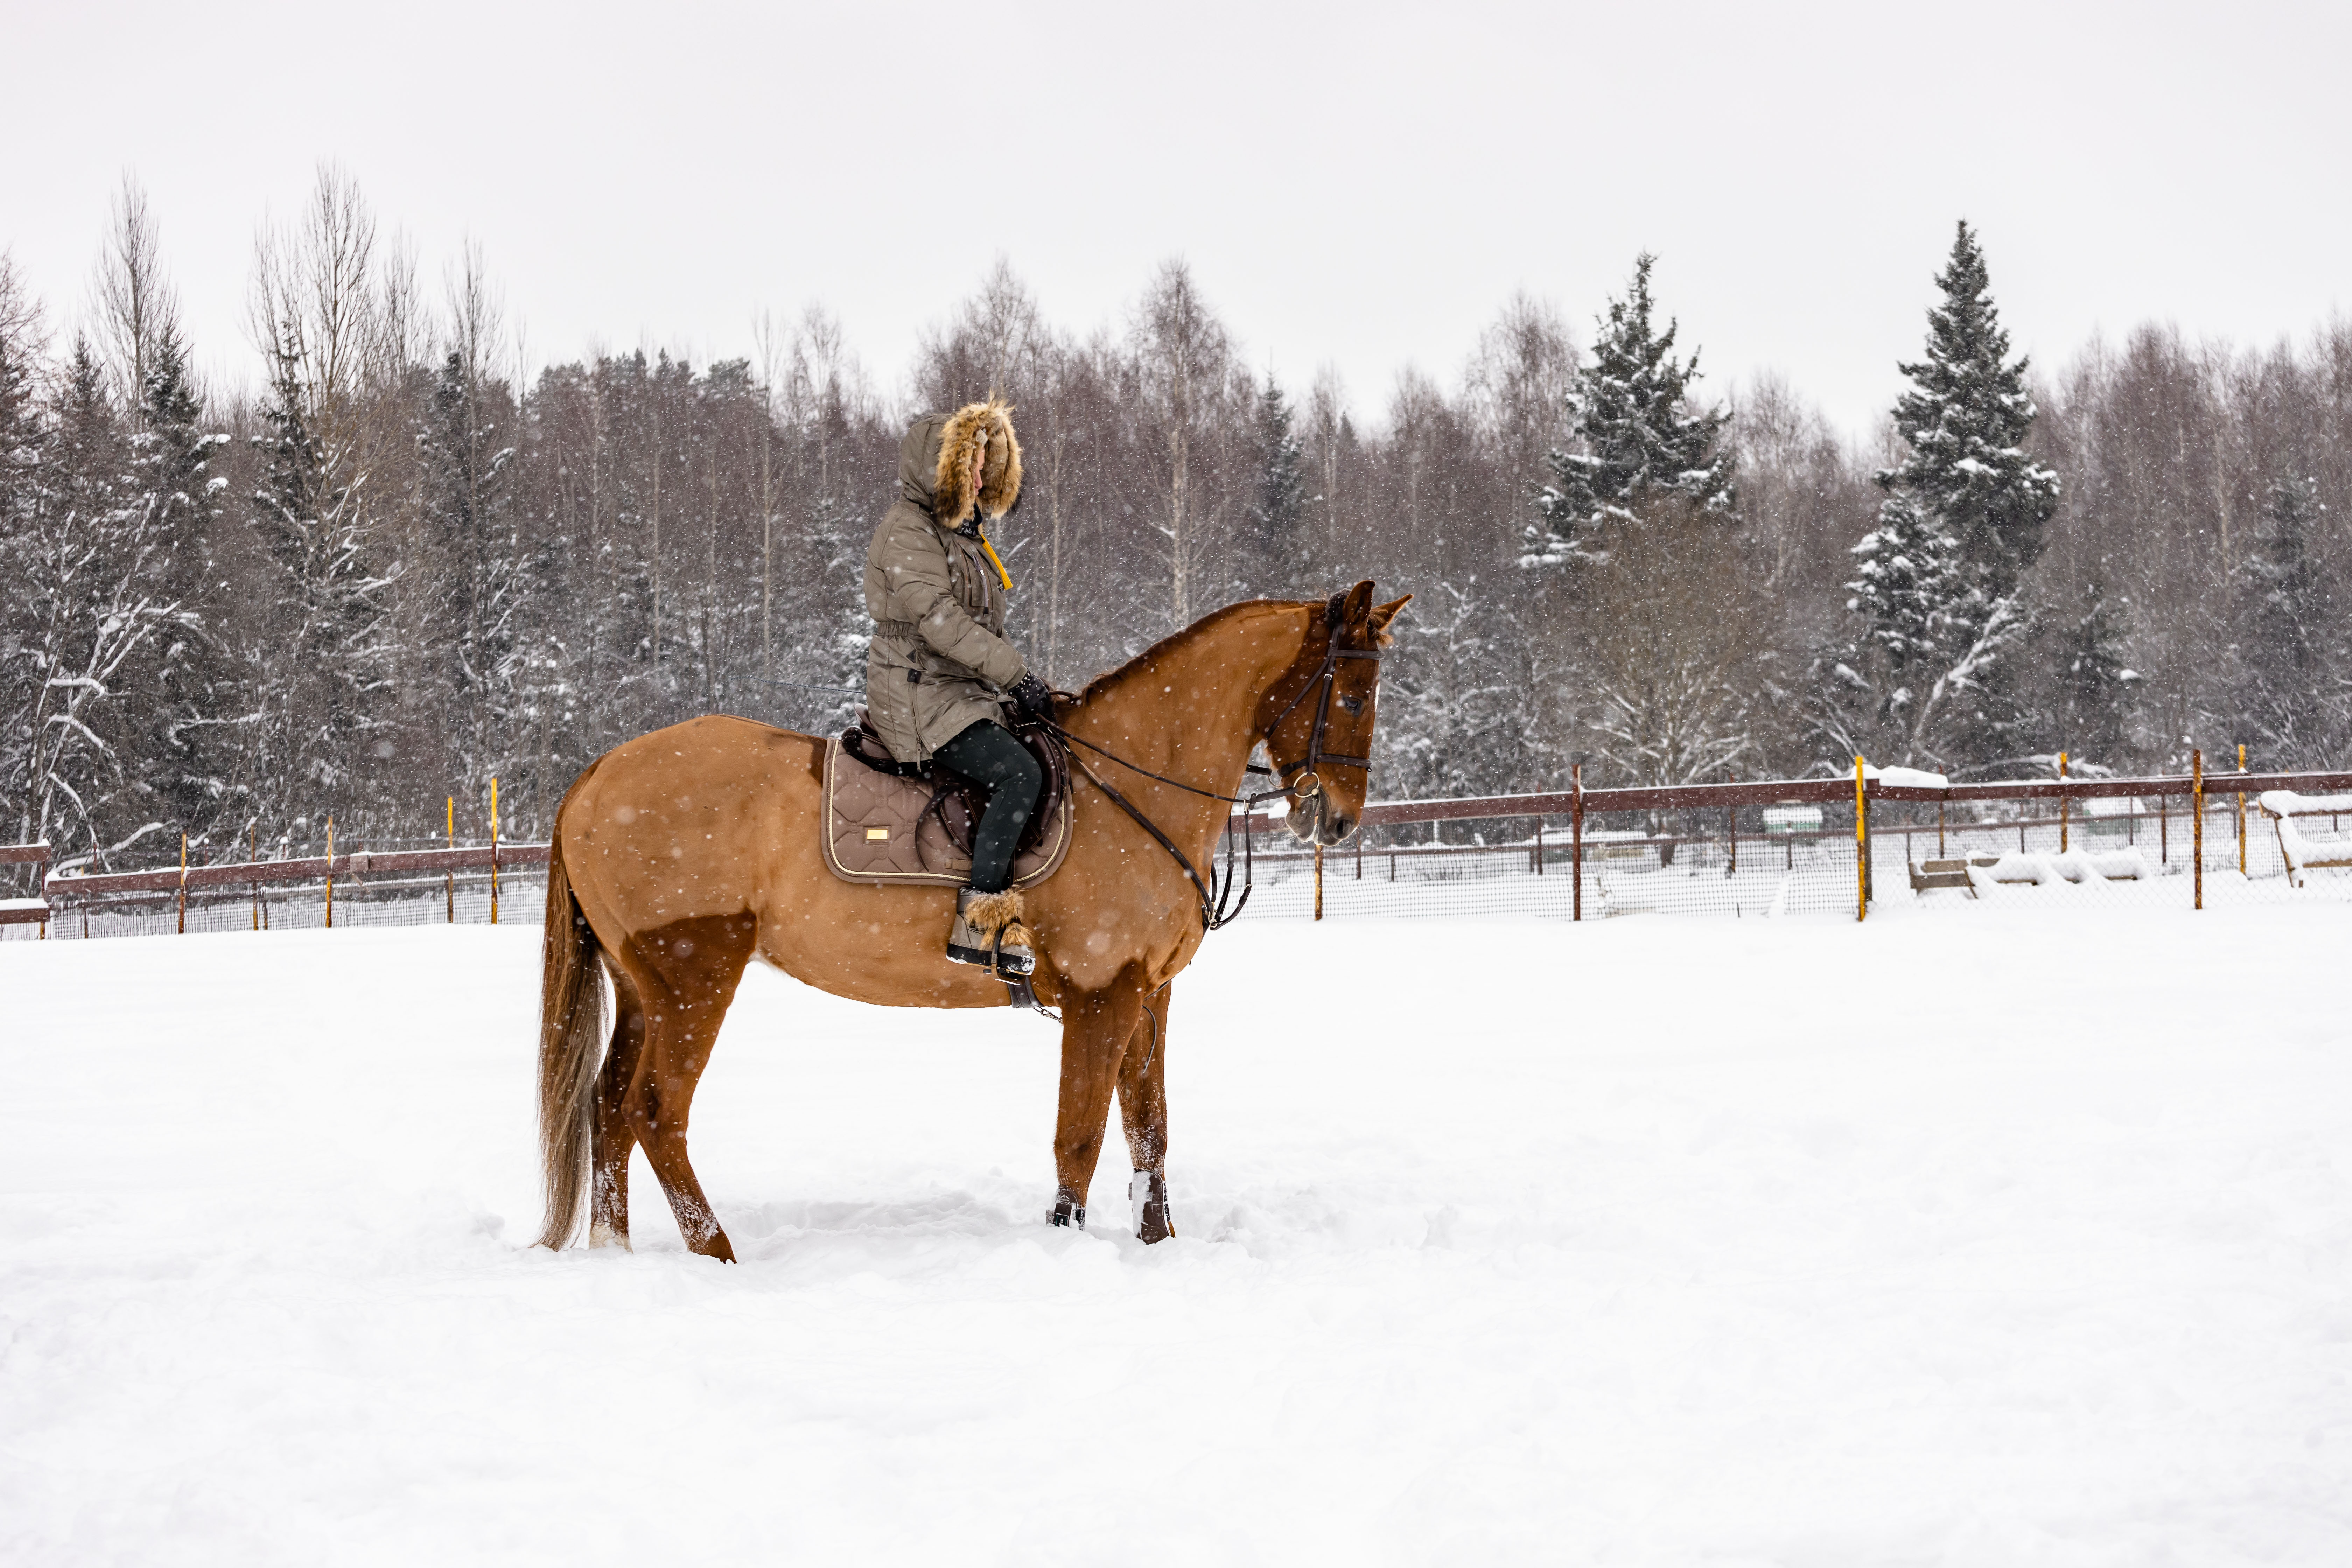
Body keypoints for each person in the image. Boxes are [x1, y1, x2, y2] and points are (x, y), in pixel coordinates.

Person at [863, 399, 1054, 975]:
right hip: (919, 694)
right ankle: (981, 924)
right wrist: (1016, 676)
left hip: (960, 689)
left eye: (984, 465)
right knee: (1020, 772)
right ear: (939, 470)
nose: (979, 477)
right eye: (970, 465)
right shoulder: (908, 532)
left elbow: (980, 627)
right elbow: (942, 623)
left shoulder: (963, 536)